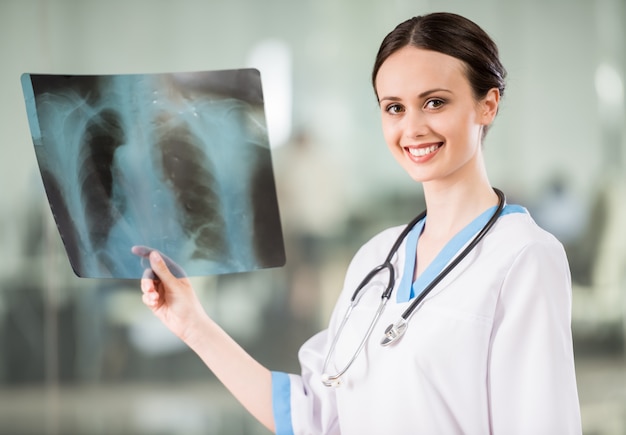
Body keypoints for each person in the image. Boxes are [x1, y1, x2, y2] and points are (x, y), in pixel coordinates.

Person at [135, 12, 582, 434]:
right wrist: (191, 322)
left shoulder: (523, 258)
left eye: (435, 102)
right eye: (394, 108)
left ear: (488, 105)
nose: (413, 127)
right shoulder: (376, 258)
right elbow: (314, 415)